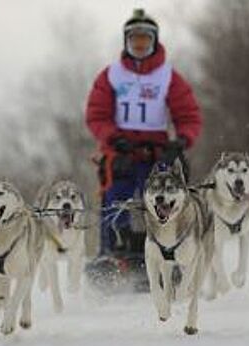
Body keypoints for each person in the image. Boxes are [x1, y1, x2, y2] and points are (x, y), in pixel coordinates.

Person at [85, 8, 203, 258]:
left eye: (144, 39)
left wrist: (181, 141)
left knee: (166, 199)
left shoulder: (169, 76)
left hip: (157, 152)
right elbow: (97, 115)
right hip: (121, 151)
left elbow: (189, 115)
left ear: (153, 41)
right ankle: (112, 254)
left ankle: (169, 251)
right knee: (115, 200)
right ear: (127, 42)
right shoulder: (111, 75)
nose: (139, 44)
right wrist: (113, 138)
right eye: (134, 39)